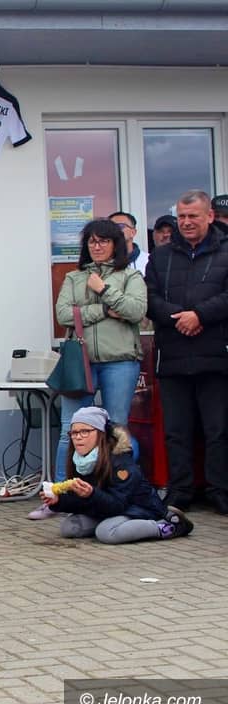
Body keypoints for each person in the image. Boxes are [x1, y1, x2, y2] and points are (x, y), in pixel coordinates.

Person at [31, 219, 147, 520]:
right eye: (92, 241)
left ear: (115, 244)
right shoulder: (74, 277)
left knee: (116, 428)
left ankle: (118, 492)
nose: (97, 246)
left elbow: (136, 311)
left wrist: (104, 290)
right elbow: (63, 314)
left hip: (120, 360)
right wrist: (105, 310)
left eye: (103, 241)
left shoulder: (130, 276)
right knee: (70, 429)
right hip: (79, 362)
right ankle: (57, 497)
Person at [144, 190, 228, 514]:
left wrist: (200, 316)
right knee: (176, 431)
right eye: (181, 216)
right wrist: (179, 317)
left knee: (218, 430)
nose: (186, 222)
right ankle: (180, 491)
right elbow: (149, 298)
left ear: (210, 216)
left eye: (193, 216)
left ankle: (219, 490)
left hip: (216, 355)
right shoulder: (161, 256)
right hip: (174, 355)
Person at [41, 407, 192, 543]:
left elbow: (118, 505)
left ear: (101, 433)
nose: (78, 437)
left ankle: (167, 527)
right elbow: (81, 503)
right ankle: (115, 525)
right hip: (104, 508)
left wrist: (91, 494)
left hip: (137, 509)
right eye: (74, 433)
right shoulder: (78, 460)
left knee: (106, 533)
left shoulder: (121, 463)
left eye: (85, 431)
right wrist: (58, 501)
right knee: (70, 527)